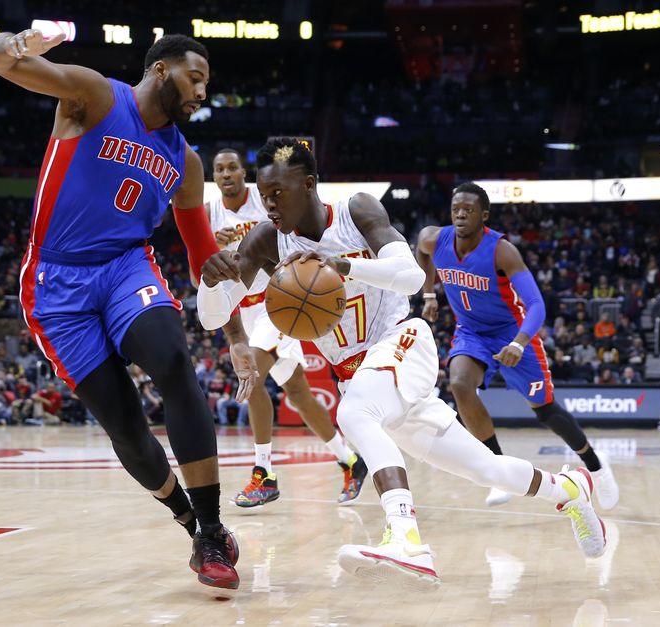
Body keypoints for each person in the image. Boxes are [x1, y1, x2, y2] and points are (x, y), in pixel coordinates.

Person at [198, 138, 607, 585]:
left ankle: (406, 538)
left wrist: (341, 264)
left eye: (279, 192)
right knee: (485, 468)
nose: (269, 203)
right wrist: (210, 283)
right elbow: (212, 316)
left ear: (309, 184)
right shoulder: (264, 240)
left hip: (402, 340)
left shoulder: (356, 211)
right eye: (264, 193)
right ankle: (570, 489)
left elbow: (412, 278)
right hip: (354, 373)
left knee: (354, 415)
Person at [0, 29, 257, 588]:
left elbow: (206, 260)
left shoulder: (186, 161)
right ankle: (189, 521)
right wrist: (17, 44)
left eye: (207, 84)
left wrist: (235, 336)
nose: (202, 93)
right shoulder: (94, 95)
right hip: (55, 282)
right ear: (161, 70)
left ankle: (212, 531)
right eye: (195, 78)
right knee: (127, 427)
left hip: (126, 267)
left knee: (175, 362)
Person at [416, 183, 619, 510]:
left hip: (510, 333)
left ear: (484, 215)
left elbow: (537, 305)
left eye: (468, 209)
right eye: (456, 208)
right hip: (471, 332)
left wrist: (519, 343)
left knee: (545, 412)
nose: (460, 214)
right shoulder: (433, 238)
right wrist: (428, 293)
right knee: (459, 383)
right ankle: (499, 471)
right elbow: (421, 252)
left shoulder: (502, 251)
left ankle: (596, 466)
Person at [208, 148, 367, 507]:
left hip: (277, 304)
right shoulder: (209, 214)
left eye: (233, 167)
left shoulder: (265, 203)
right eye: (219, 169)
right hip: (240, 315)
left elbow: (287, 245)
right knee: (298, 393)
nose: (226, 174)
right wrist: (212, 254)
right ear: (214, 176)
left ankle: (263, 475)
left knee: (252, 377)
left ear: (243, 172)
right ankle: (350, 460)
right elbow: (202, 278)